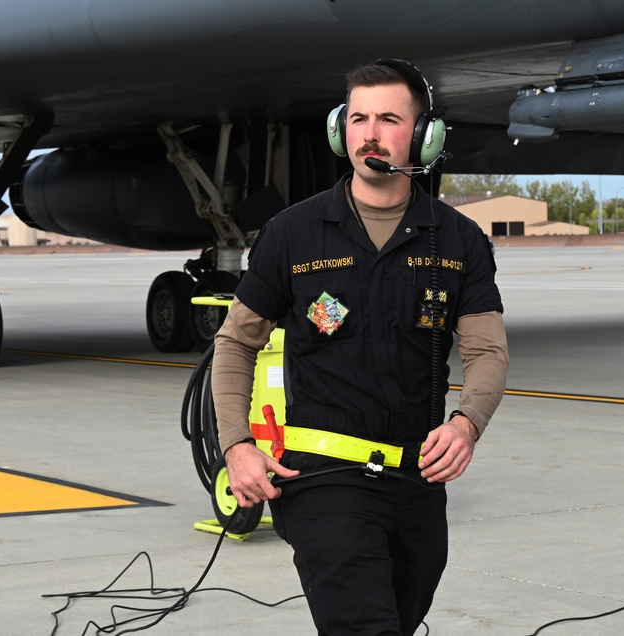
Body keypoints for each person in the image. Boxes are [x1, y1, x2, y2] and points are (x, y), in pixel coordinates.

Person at [211, 58, 509, 635]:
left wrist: (467, 423)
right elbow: (234, 344)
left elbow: (486, 352)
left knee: (400, 618)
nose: (369, 133)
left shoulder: (458, 240)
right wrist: (237, 445)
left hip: (418, 483)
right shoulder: (293, 233)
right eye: (357, 118)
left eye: (389, 119)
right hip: (323, 478)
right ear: (339, 129)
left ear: (424, 136)